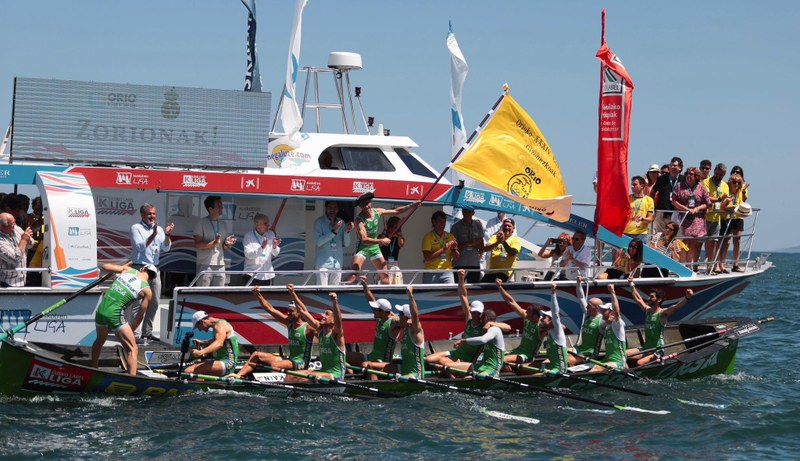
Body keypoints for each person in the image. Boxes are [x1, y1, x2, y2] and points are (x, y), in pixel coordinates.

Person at [426, 269, 510, 369]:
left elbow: (507, 327)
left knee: (441, 362)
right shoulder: (469, 319)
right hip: (456, 352)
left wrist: (491, 324)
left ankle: (451, 373)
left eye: (478, 313)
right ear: (470, 311)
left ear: (482, 314)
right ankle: (447, 371)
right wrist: (461, 278)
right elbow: (463, 295)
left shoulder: (484, 326)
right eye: (474, 312)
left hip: (466, 359)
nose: (475, 315)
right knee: (428, 359)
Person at [232, 286, 316, 378]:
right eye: (288, 311)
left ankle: (272, 384)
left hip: (301, 363)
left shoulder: (309, 328)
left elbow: (305, 311)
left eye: (291, 311)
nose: (288, 313)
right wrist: (258, 295)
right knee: (256, 355)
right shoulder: (289, 323)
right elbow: (270, 309)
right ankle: (238, 376)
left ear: (300, 313)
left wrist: (292, 292)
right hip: (290, 360)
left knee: (276, 365)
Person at [91, 263, 156, 376]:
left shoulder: (127, 270)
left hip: (101, 311)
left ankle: (93, 370)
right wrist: (131, 330)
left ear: (143, 268)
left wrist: (120, 269)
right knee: (133, 349)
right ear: (151, 279)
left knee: (100, 340)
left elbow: (105, 267)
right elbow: (140, 316)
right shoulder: (147, 290)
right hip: (115, 315)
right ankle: (132, 379)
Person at [347, 191, 418, 285]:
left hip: (374, 247)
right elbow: (364, 239)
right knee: (354, 273)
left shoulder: (377, 211)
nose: (367, 206)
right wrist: (381, 240)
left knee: (385, 276)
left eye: (367, 203)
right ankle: (342, 290)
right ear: (360, 206)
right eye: (363, 205)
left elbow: (396, 211)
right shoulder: (359, 219)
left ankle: (385, 296)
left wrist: (412, 205)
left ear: (370, 202)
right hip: (363, 247)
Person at [129, 203, 174, 342]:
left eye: (154, 214)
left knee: (154, 302)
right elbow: (140, 247)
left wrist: (166, 234)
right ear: (142, 215)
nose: (152, 216)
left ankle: (146, 332)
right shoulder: (136, 228)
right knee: (137, 303)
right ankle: (134, 334)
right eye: (149, 214)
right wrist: (153, 234)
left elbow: (166, 248)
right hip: (140, 268)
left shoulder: (159, 229)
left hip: (155, 269)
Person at [626, 279, 693, 366]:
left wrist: (687, 297)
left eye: (651, 297)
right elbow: (638, 299)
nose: (648, 298)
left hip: (657, 350)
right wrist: (631, 284)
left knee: (639, 363)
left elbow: (676, 307)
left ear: (659, 299)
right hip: (646, 348)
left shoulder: (663, 313)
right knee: (623, 354)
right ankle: (625, 372)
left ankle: (647, 378)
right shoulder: (647, 310)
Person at [285, 292, 347, 382]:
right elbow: (303, 311)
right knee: (291, 375)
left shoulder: (336, 335)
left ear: (333, 320)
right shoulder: (320, 331)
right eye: (323, 313)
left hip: (335, 376)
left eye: (326, 314)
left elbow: (339, 321)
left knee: (301, 376)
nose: (322, 315)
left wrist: (334, 301)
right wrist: (292, 293)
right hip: (323, 372)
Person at [349, 276, 399, 376]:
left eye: (375, 309)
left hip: (382, 362)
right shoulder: (380, 317)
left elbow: (406, 319)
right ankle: (349, 377)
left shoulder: (393, 322)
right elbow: (370, 299)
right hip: (371, 357)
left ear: (383, 312)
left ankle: (373, 386)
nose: (373, 310)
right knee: (347, 356)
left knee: (365, 365)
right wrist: (364, 285)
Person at [381, 285, 426, 379]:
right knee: (375, 369)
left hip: (414, 375)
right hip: (403, 370)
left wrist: (410, 295)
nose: (398, 315)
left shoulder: (415, 331)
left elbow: (415, 315)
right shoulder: (405, 327)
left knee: (395, 379)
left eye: (400, 314)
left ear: (405, 317)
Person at [496, 279, 543, 368]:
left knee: (503, 360)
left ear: (535, 316)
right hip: (517, 351)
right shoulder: (527, 319)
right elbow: (511, 301)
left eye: (528, 312)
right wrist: (500, 287)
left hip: (527, 357)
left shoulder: (541, 327)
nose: (525, 313)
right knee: (497, 356)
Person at [449, 308, 506, 379]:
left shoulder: (494, 329)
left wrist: (464, 341)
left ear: (485, 318)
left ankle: (463, 381)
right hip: (481, 365)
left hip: (492, 368)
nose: (479, 322)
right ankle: (455, 381)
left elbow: (483, 340)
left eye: (481, 320)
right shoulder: (487, 330)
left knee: (469, 379)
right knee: (448, 367)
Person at [194, 196, 236, 286]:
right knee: (203, 294)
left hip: (220, 264)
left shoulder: (223, 224)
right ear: (210, 209)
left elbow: (223, 247)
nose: (221, 208)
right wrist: (214, 243)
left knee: (218, 295)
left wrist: (228, 243)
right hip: (205, 264)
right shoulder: (201, 223)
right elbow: (197, 245)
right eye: (219, 206)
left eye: (221, 206)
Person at [672, 167, 710, 266]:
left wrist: (697, 209)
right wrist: (685, 209)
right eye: (687, 173)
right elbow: (674, 200)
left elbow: (708, 203)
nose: (689, 175)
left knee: (692, 243)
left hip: (696, 219)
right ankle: (682, 264)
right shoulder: (680, 185)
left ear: (696, 176)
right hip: (682, 217)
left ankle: (689, 265)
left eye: (691, 174)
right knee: (682, 242)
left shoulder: (701, 187)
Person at [186, 310, 240, 377]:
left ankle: (200, 386)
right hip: (221, 361)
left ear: (201, 321)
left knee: (192, 371)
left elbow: (219, 343)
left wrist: (201, 352)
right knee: (190, 370)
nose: (199, 330)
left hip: (227, 363)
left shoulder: (220, 325)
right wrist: (202, 342)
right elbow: (216, 340)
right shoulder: (217, 326)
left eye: (197, 327)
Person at [313, 201, 353, 285]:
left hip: (337, 264)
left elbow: (346, 244)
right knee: (321, 292)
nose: (332, 210)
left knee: (334, 292)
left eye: (335, 207)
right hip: (323, 265)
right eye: (330, 207)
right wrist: (334, 232)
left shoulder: (341, 222)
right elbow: (319, 242)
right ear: (326, 208)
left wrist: (347, 232)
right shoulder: (319, 222)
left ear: (338, 209)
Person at [568, 275, 604, 366]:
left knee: (567, 360)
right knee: (558, 351)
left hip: (590, 354)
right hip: (580, 348)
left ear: (596, 308)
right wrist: (578, 283)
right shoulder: (588, 314)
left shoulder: (602, 321)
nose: (586, 307)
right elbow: (581, 298)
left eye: (589, 305)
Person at [590, 284, 627, 372]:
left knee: (596, 368)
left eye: (604, 310)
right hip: (607, 360)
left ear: (611, 313)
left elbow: (617, 311)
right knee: (592, 365)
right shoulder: (605, 326)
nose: (602, 312)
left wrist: (612, 292)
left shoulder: (617, 325)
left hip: (617, 362)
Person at [718, 173, 749, 272]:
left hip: (735, 217)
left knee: (728, 242)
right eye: (734, 182)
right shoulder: (726, 190)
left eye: (739, 182)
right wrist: (735, 206)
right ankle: (718, 264)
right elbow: (723, 206)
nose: (736, 184)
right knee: (721, 242)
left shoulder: (739, 192)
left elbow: (742, 202)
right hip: (725, 218)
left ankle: (723, 264)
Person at [703, 163, 729, 274]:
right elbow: (707, 197)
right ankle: (694, 266)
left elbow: (725, 201)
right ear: (714, 171)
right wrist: (719, 198)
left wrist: (727, 201)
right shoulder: (706, 182)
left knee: (713, 242)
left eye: (721, 175)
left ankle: (711, 266)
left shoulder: (725, 186)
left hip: (717, 217)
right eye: (717, 174)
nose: (718, 176)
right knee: (701, 242)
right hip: (705, 217)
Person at [242, 213, 281, 285]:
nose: (268, 225)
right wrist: (262, 247)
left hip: (268, 274)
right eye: (265, 223)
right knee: (250, 296)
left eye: (268, 223)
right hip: (252, 274)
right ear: (257, 225)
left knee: (267, 296)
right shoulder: (248, 236)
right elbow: (248, 255)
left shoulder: (271, 234)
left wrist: (275, 247)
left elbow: (275, 253)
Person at [421, 210, 459, 284]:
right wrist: (443, 249)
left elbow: (457, 257)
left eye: (444, 221)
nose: (442, 223)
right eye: (439, 221)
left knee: (449, 294)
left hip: (447, 272)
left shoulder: (450, 236)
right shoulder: (428, 237)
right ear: (433, 222)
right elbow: (427, 257)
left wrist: (454, 249)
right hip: (431, 272)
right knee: (429, 294)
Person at [450, 205, 484, 283]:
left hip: (474, 264)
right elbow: (452, 247)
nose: (467, 213)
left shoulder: (478, 225)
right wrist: (468, 243)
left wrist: (479, 253)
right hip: (459, 264)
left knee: (474, 290)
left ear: (473, 213)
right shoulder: (456, 226)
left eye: (469, 212)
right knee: (458, 288)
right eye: (464, 211)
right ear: (462, 212)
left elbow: (482, 245)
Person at [650, 156, 685, 233]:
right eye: (671, 165)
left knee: (675, 239)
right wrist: (652, 205)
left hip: (677, 214)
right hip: (662, 213)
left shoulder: (684, 179)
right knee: (659, 236)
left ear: (680, 168)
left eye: (675, 165)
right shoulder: (662, 178)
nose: (672, 167)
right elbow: (653, 191)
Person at [481, 217, 521, 283]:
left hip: (505, 273)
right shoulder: (495, 237)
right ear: (502, 227)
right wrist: (497, 242)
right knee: (480, 286)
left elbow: (512, 253)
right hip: (491, 272)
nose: (507, 227)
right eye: (505, 225)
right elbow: (485, 249)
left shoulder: (516, 240)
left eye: (509, 226)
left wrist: (503, 241)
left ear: (513, 229)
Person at [0, 212, 33, 287]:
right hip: (7, 284)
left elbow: (31, 244)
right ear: (3, 226)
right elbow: (15, 259)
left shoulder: (16, 229)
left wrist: (28, 239)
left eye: (14, 222)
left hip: (22, 281)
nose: (14, 226)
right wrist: (24, 240)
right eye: (12, 224)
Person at [378, 216, 405, 284]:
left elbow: (401, 244)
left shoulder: (399, 237)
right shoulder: (383, 237)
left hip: (394, 266)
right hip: (383, 265)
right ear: (390, 226)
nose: (396, 228)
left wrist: (399, 231)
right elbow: (380, 244)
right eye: (395, 226)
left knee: (396, 288)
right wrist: (385, 229)